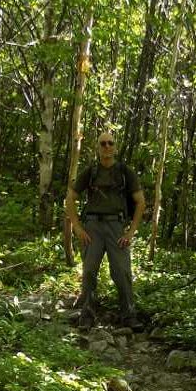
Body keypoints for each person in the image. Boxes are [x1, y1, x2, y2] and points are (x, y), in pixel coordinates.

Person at [66, 131, 146, 331]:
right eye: (103, 143)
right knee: (89, 271)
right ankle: (87, 315)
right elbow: (70, 198)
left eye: (110, 143)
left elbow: (140, 202)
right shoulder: (90, 171)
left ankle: (129, 315)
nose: (107, 147)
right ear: (98, 147)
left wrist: (130, 232)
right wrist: (77, 227)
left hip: (116, 227)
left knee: (122, 271)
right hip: (92, 227)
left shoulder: (125, 172)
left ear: (115, 147)